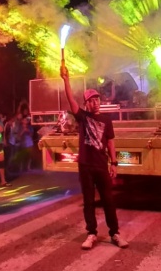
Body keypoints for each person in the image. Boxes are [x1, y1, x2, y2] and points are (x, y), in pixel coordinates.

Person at [59, 62, 129, 250]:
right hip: (85, 165)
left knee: (108, 200)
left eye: (97, 99)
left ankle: (115, 233)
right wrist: (66, 80)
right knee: (88, 201)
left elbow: (110, 142)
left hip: (101, 165)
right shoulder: (82, 117)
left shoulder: (106, 120)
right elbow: (70, 100)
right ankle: (91, 233)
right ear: (86, 104)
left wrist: (114, 163)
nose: (95, 102)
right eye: (91, 100)